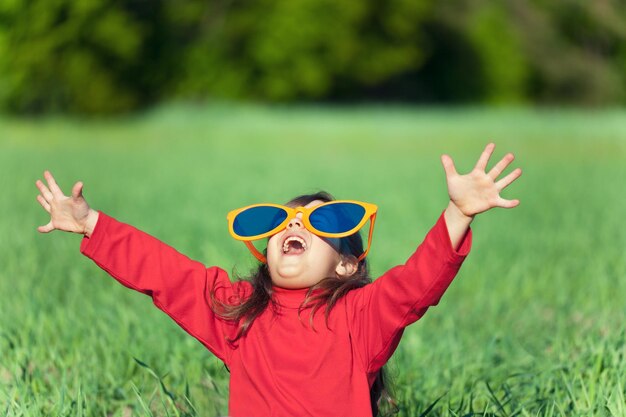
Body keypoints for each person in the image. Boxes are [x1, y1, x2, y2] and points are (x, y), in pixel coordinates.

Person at [35, 143, 522, 417]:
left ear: (348, 266)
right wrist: (93, 223)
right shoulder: (238, 312)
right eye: (284, 222)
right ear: (264, 251)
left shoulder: (360, 318)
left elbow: (416, 285)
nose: (295, 226)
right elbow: (165, 274)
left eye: (320, 224)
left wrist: (458, 214)